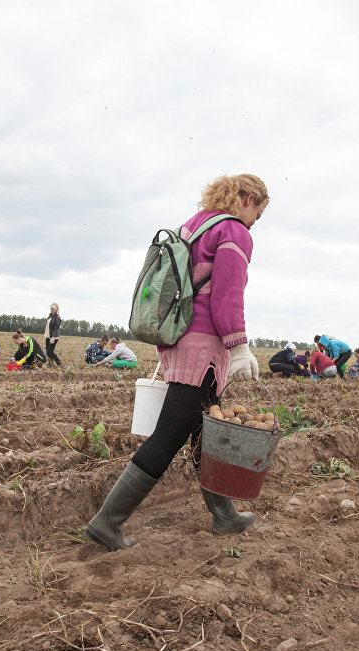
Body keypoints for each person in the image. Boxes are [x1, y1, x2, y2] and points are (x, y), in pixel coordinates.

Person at [86, 173, 268, 551]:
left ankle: (224, 515)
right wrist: (238, 347)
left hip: (178, 341)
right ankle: (107, 521)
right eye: (258, 213)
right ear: (248, 199)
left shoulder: (194, 225)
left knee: (205, 430)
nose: (255, 223)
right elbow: (226, 297)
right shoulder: (234, 231)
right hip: (202, 349)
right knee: (169, 435)